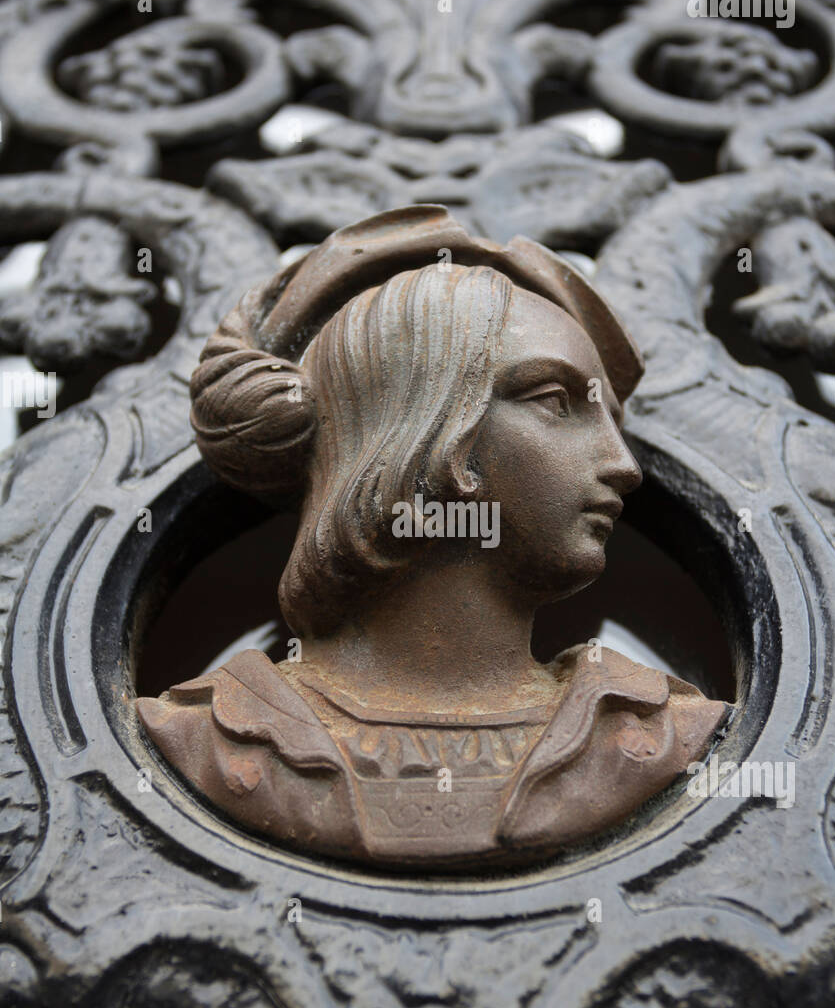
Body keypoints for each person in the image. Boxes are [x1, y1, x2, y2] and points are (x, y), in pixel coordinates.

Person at [137, 206, 729, 869]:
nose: (624, 465)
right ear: (420, 432)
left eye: (611, 422)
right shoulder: (213, 735)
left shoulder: (654, 731)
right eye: (556, 402)